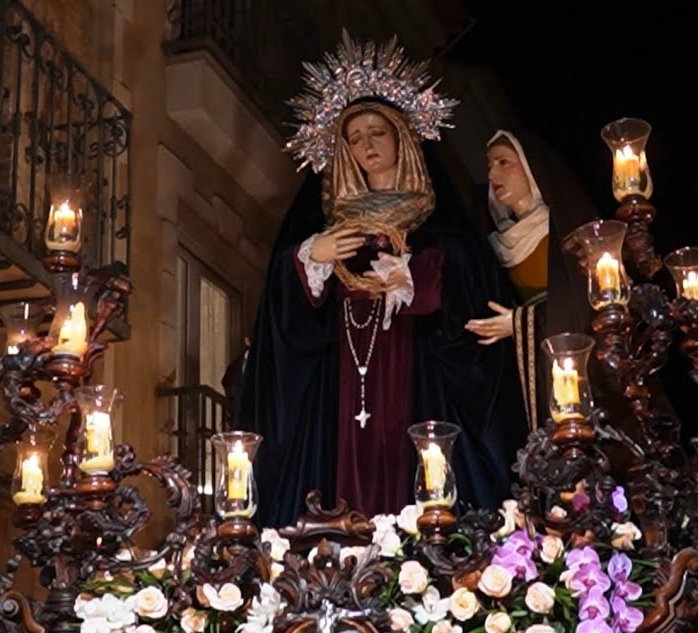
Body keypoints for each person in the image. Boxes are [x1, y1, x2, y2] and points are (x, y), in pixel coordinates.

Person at [235, 34, 528, 528]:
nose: (367, 146)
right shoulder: (322, 224)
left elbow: (473, 279)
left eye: (377, 132)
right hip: (340, 383)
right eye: (354, 138)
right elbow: (281, 323)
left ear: (402, 137)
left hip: (419, 371)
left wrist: (419, 273)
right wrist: (310, 258)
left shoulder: (442, 221)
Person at [465, 129, 597, 428]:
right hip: (531, 364)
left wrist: (520, 322)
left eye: (503, 162)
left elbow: (580, 299)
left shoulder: (562, 228)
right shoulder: (496, 245)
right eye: (489, 166)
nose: (493, 173)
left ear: (531, 168)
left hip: (577, 356)